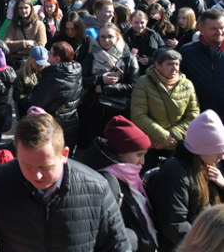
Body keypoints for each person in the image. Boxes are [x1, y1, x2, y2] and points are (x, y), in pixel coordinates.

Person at [0, 113, 130, 251]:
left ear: (64, 154)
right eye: (26, 165)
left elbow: (117, 246)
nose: (37, 175)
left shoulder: (96, 189)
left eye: (45, 166)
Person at [148, 110, 224, 251]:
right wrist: (205, 246)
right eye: (218, 149)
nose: (222, 155)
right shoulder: (174, 172)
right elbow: (174, 224)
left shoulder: (208, 165)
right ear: (202, 148)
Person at [81, 116, 157, 252]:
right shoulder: (109, 181)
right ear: (121, 153)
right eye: (139, 154)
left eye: (144, 155)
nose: (143, 161)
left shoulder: (132, 179)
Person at [132, 48, 200, 171]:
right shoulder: (143, 83)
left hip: (177, 145)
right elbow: (139, 115)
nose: (174, 68)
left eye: (177, 64)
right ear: (157, 65)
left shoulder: (187, 85)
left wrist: (172, 136)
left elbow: (193, 116)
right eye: (169, 64)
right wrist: (163, 137)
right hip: (151, 145)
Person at [79, 23, 139, 148]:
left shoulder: (129, 58)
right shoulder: (91, 55)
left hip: (118, 109)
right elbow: (81, 79)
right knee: (95, 145)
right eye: (102, 37)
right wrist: (100, 79)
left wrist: (105, 88)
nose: (106, 40)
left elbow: (133, 85)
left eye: (110, 36)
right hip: (94, 109)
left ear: (117, 37)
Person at [27, 41, 83, 151]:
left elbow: (36, 102)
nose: (47, 56)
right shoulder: (76, 71)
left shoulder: (54, 77)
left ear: (57, 59)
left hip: (54, 124)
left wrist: (26, 99)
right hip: (71, 121)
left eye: (50, 53)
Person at [179, 9, 224, 119]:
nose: (219, 32)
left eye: (222, 28)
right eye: (214, 29)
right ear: (201, 29)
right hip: (196, 117)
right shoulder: (187, 52)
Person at [4, 0, 47, 65]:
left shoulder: (39, 25)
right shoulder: (11, 25)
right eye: (20, 8)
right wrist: (26, 43)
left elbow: (41, 46)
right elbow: (6, 45)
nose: (23, 10)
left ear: (31, 8)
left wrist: (17, 49)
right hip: (15, 62)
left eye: (26, 8)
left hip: (33, 62)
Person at [124, 10, 166, 76]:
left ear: (147, 22)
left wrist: (151, 61)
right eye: (136, 23)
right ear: (130, 22)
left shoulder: (154, 35)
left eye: (142, 22)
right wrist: (131, 56)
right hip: (134, 72)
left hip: (154, 71)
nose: (139, 25)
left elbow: (163, 52)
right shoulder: (125, 37)